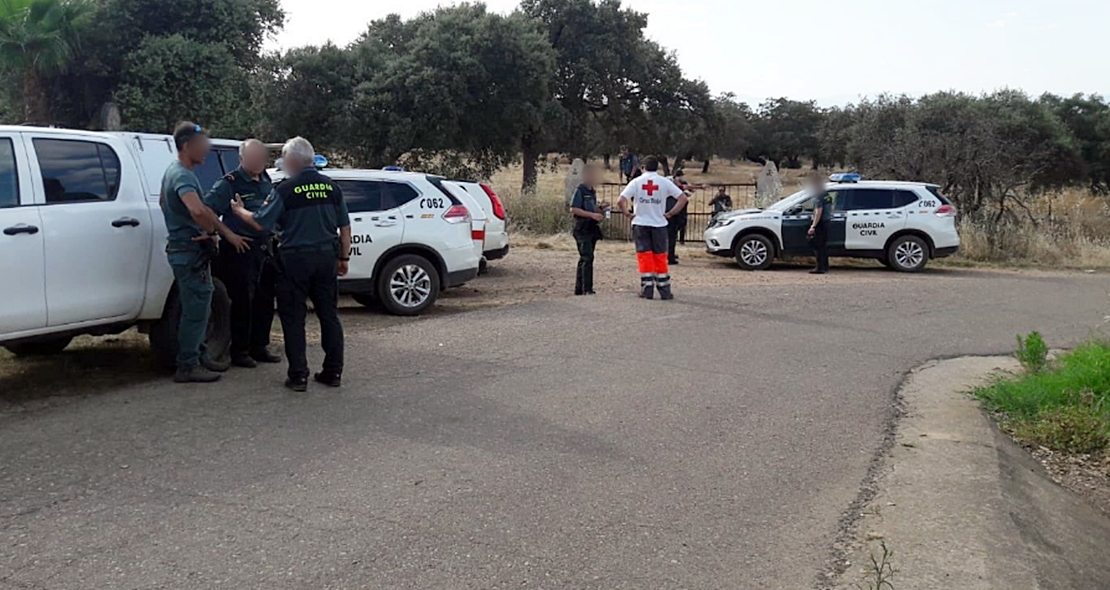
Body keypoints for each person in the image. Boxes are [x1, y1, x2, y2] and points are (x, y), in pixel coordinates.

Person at [230, 137, 352, 392]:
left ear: (292, 161)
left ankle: (298, 376)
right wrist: (343, 258)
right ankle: (333, 372)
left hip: (295, 260)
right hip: (326, 258)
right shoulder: (332, 187)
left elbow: (261, 222)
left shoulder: (286, 189)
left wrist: (239, 210)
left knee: (294, 318)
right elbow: (344, 227)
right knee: (329, 315)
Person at [159, 122, 250, 383]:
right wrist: (210, 231)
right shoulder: (183, 176)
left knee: (203, 301)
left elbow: (166, 203)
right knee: (195, 309)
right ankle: (187, 366)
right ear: (187, 146)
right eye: (202, 145)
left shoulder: (175, 172)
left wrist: (221, 232)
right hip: (188, 251)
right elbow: (197, 210)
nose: (206, 151)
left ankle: (199, 355)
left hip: (189, 250)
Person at [204, 139, 281, 368]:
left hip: (265, 248)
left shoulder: (266, 179)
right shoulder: (230, 182)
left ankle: (260, 346)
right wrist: (228, 235)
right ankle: (240, 350)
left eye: (261, 157)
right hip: (240, 248)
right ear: (241, 159)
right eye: (253, 157)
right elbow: (207, 210)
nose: (258, 161)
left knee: (265, 300)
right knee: (242, 302)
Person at [617, 156, 687, 300]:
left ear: (643, 168)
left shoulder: (636, 182)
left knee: (645, 256)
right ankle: (664, 290)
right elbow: (683, 198)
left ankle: (647, 289)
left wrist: (627, 213)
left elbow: (621, 200)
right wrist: (671, 213)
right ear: (657, 168)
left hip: (641, 223)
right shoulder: (664, 182)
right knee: (660, 257)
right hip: (659, 224)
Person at [569, 164, 604, 295]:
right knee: (586, 257)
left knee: (586, 258)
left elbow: (591, 208)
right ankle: (587, 289)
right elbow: (573, 208)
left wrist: (599, 209)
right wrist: (591, 215)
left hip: (591, 228)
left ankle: (580, 289)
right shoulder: (580, 190)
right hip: (582, 227)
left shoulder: (592, 191)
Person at [806, 172, 832, 274]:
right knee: (823, 246)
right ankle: (825, 266)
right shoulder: (827, 195)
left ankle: (819, 268)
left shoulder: (818, 196)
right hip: (827, 221)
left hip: (820, 223)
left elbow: (818, 211)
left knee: (817, 246)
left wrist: (813, 226)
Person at [666, 170, 691, 265]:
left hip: (672, 214)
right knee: (671, 236)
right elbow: (685, 189)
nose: (680, 179)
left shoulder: (671, 189)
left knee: (670, 236)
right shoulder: (673, 188)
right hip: (673, 215)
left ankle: (669, 254)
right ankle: (670, 256)